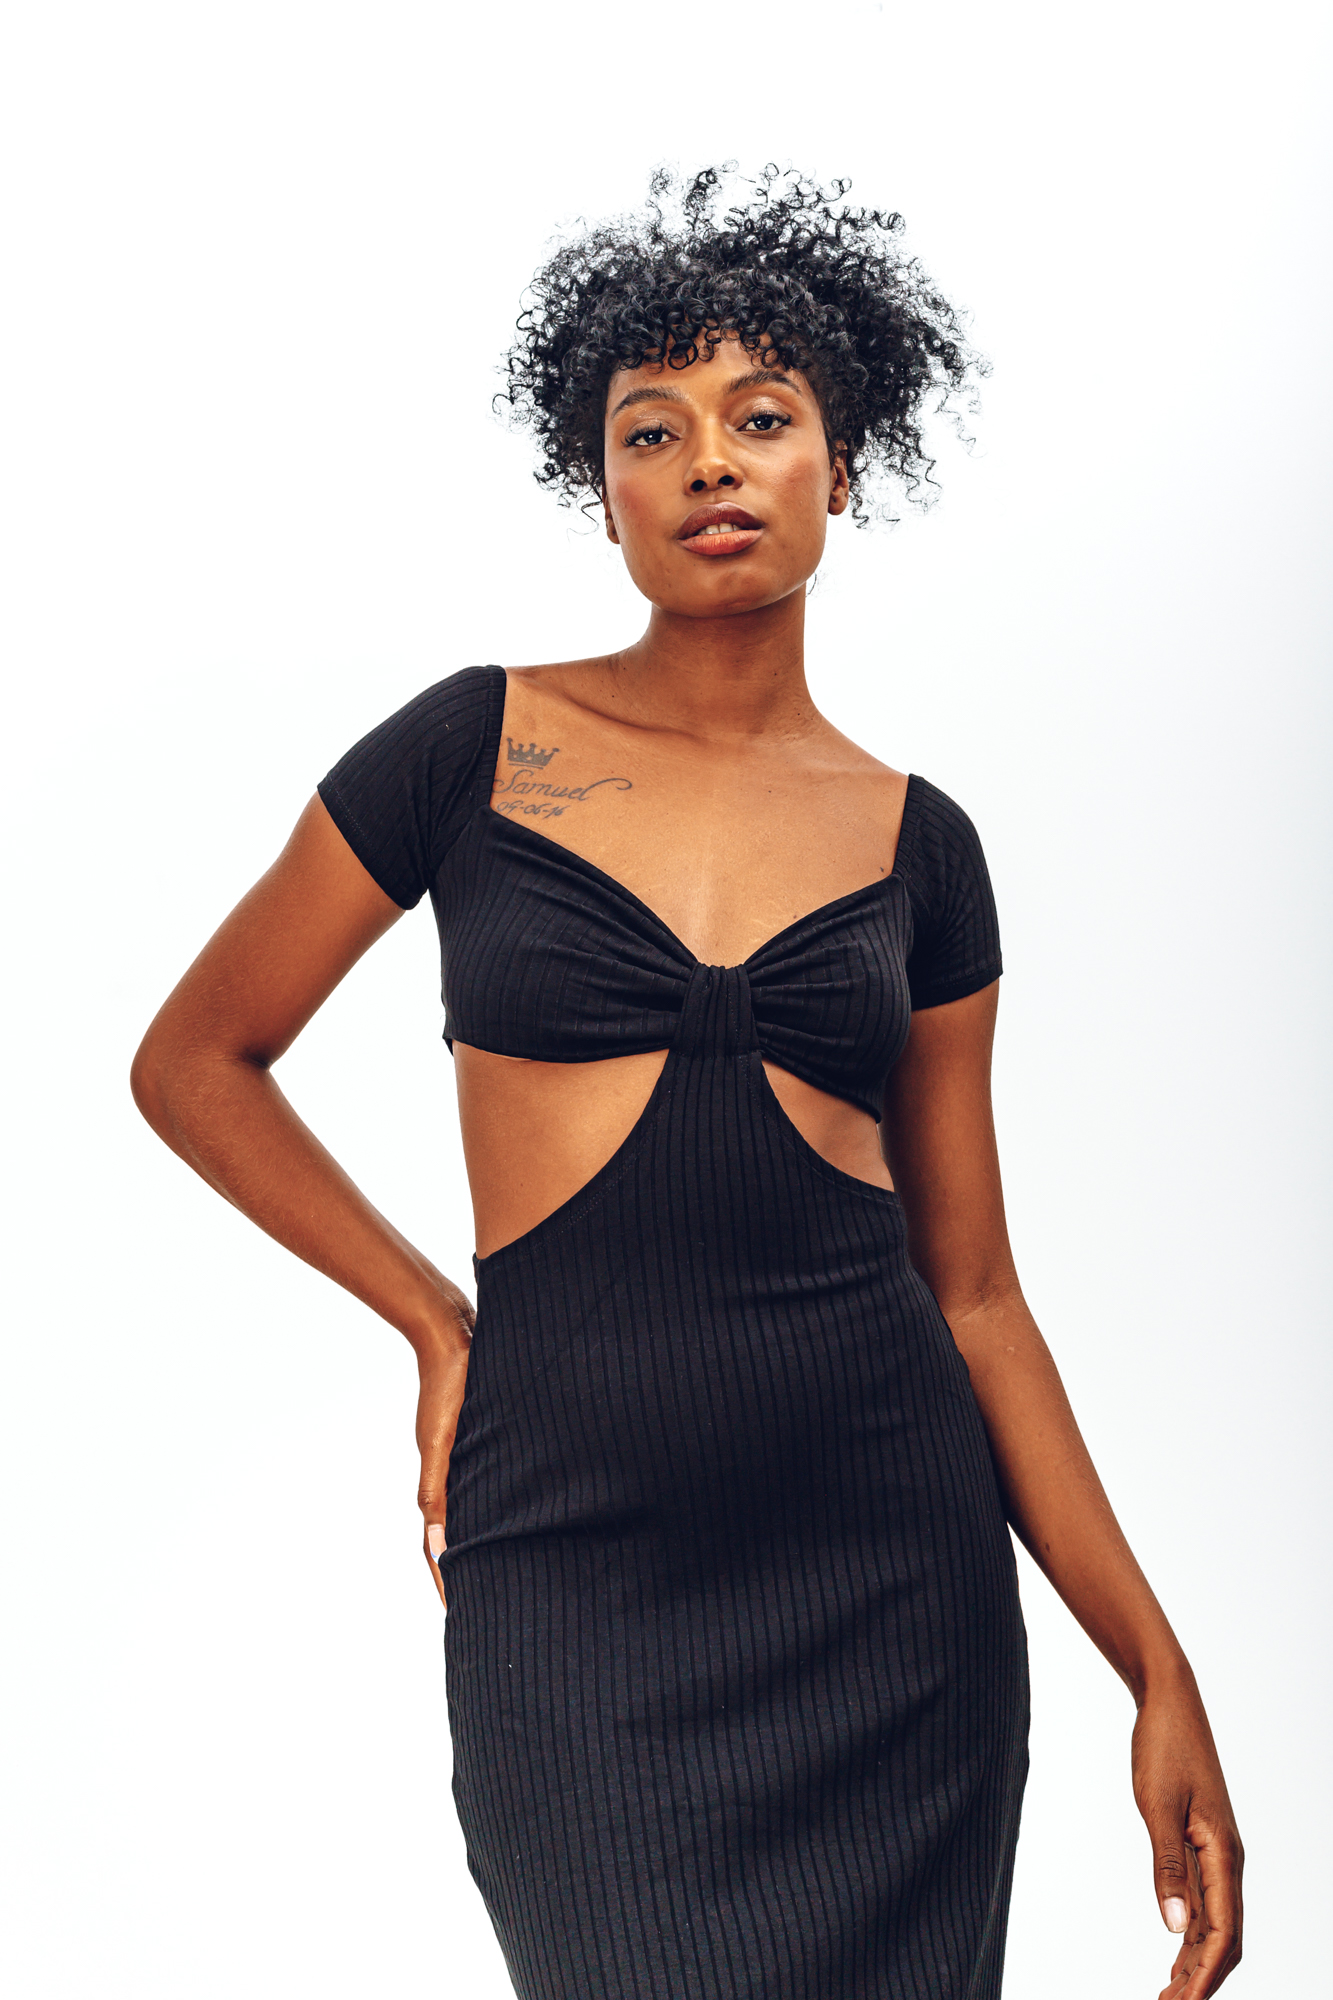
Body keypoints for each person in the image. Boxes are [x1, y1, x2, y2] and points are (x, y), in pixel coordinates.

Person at [131, 167, 1243, 1999]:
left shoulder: (922, 847)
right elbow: (195, 1063)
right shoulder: (471, 746)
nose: (709, 461)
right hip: (570, 1563)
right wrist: (434, 1322)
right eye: (652, 431)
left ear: (841, 467)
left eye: (762, 418)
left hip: (891, 1588)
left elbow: (974, 1293)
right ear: (605, 494)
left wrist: (1154, 1667)